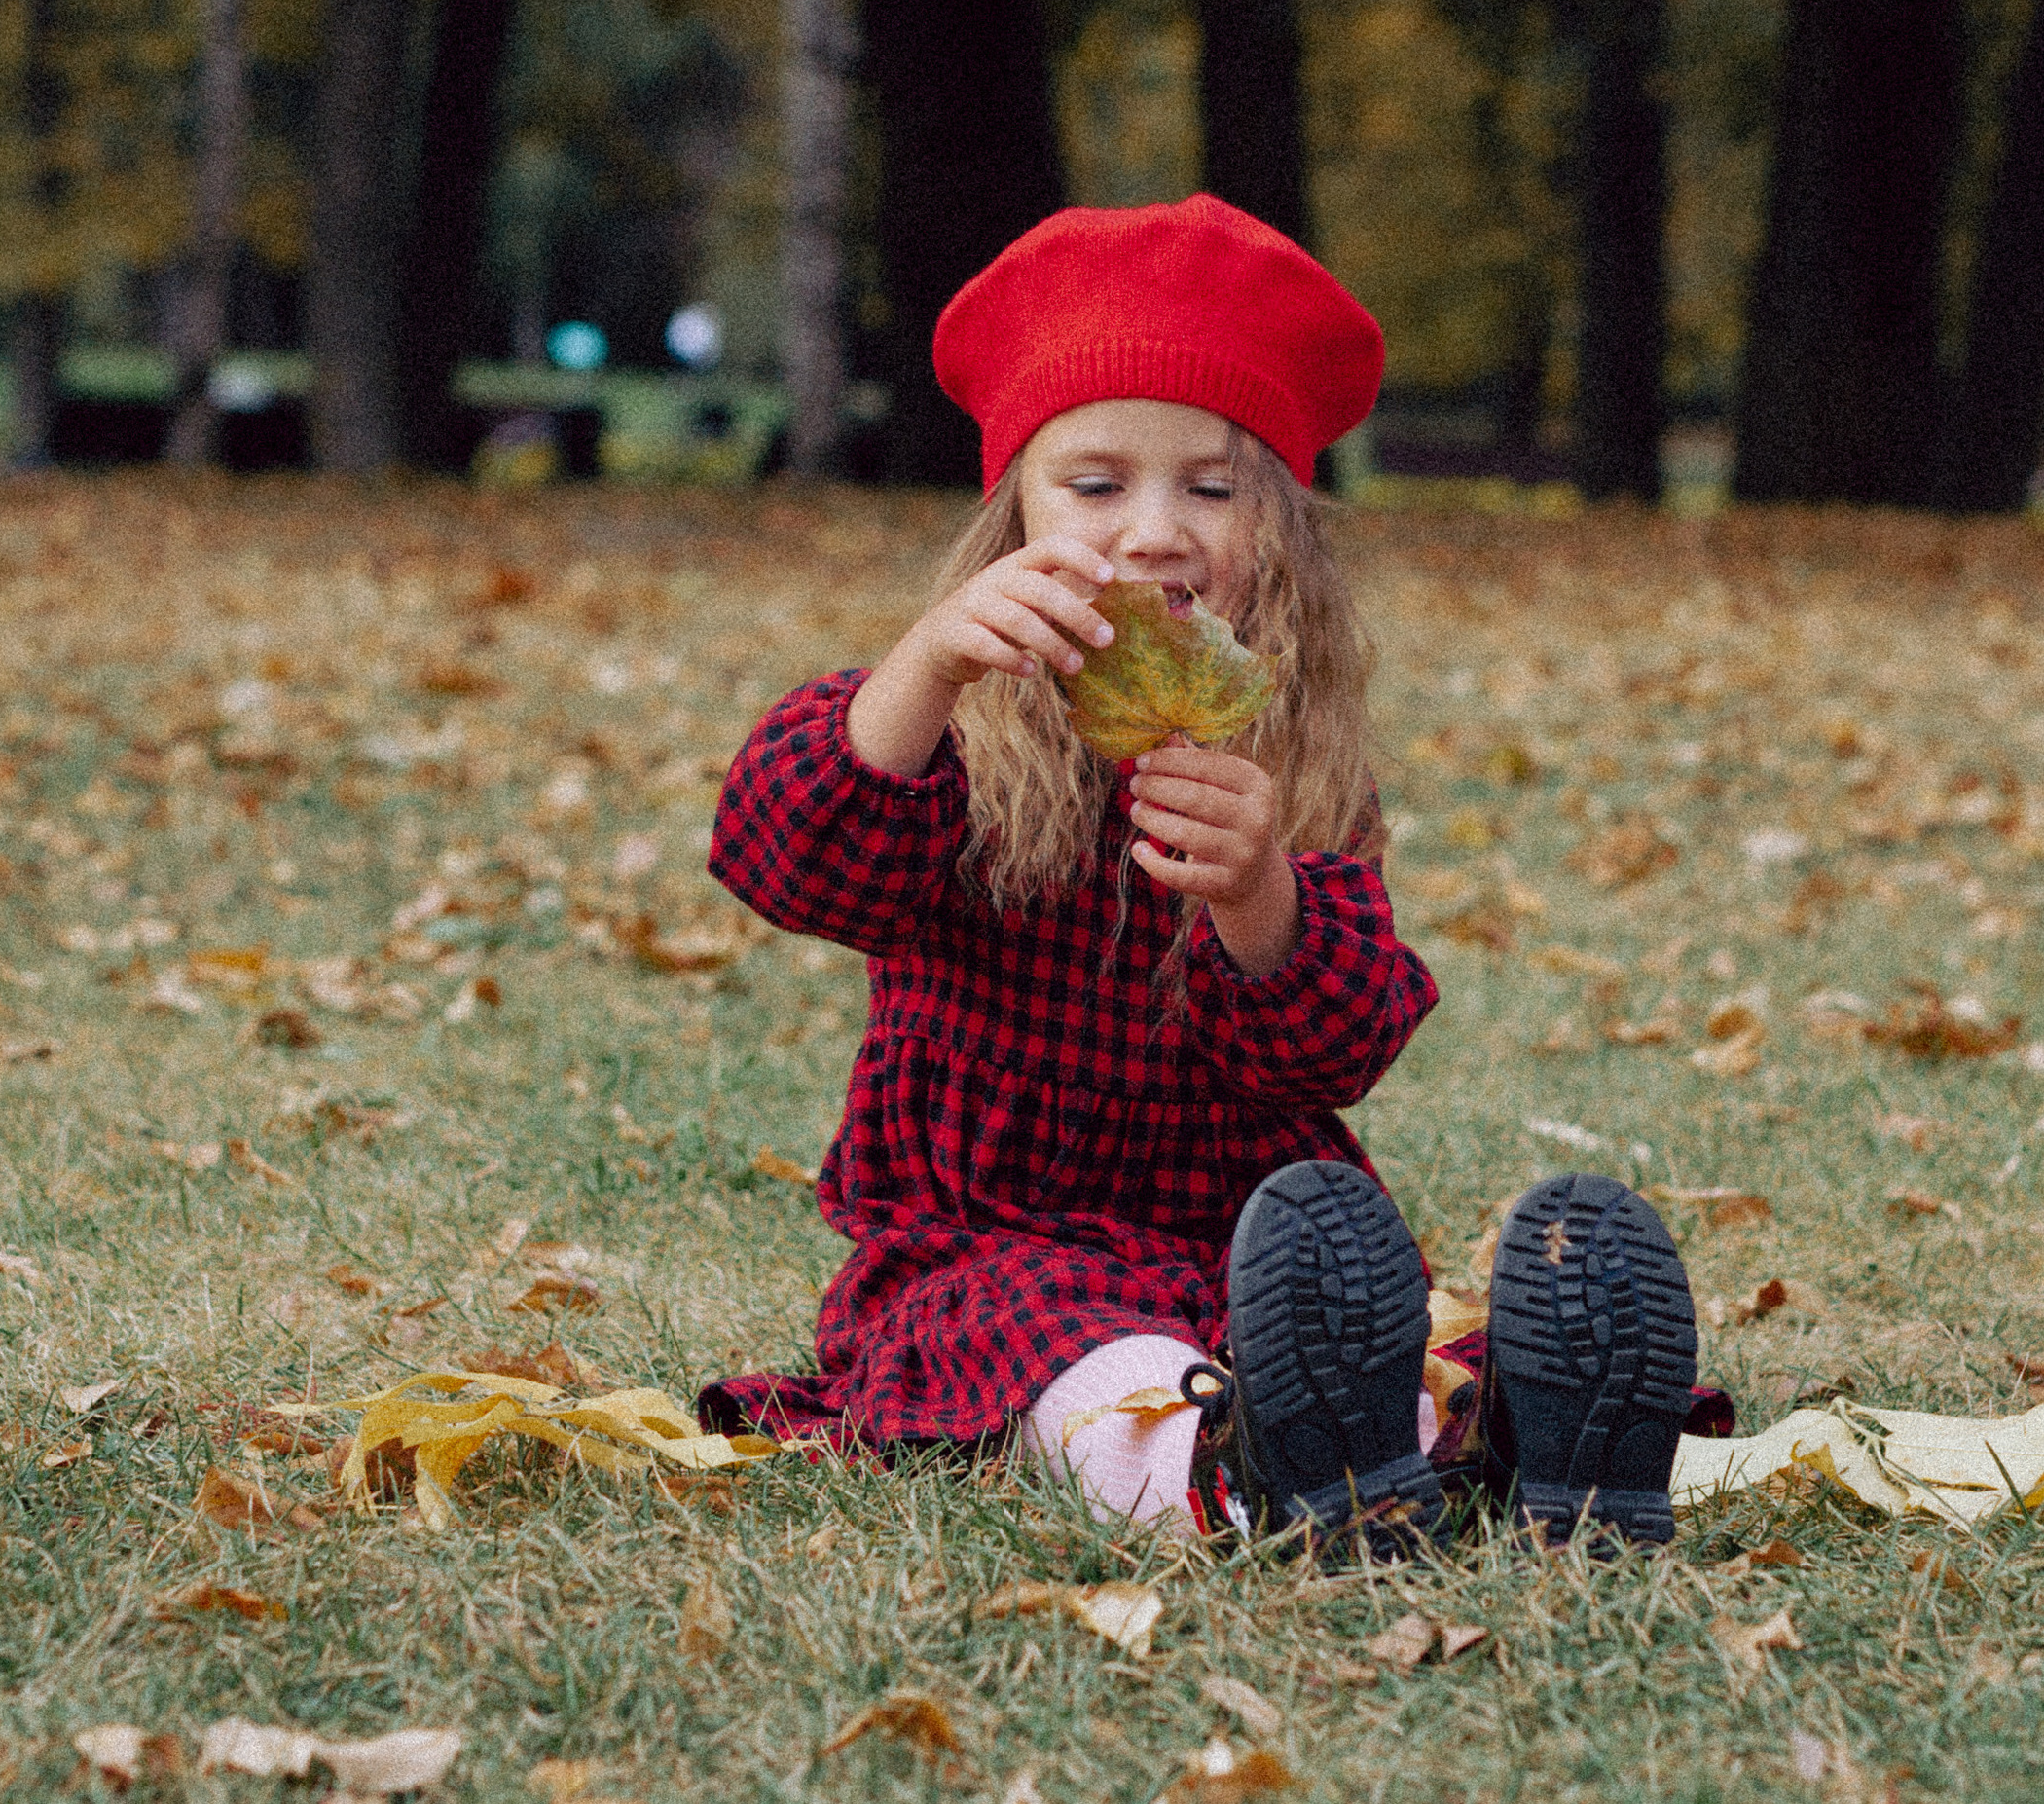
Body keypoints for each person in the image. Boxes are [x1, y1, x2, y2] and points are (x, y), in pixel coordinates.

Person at [700, 194, 1698, 1547]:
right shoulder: (950, 725)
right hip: (989, 1238)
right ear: (1011, 525)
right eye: (1096, 484)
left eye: (1211, 488)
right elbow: (788, 860)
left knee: (1360, 1354)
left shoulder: (1299, 762)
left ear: (1277, 536)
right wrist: (926, 665)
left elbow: (1338, 1046)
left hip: (1258, 1247)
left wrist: (1255, 894)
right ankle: (1239, 1482)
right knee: (1089, 1368)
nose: (1156, 529)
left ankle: (1523, 1459)